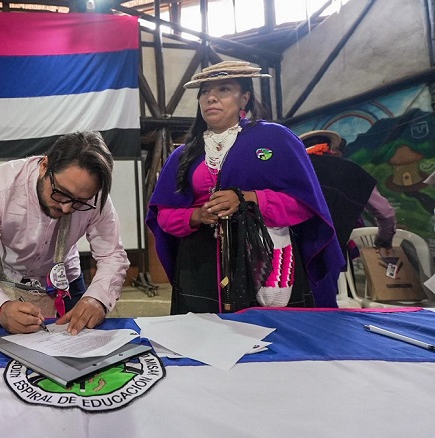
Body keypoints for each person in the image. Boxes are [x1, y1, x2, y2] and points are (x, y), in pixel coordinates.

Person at [146, 61, 344, 314]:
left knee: (270, 331)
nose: (211, 98)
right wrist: (196, 215)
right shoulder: (183, 155)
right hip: (200, 266)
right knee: (202, 333)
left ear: (244, 98)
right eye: (205, 92)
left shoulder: (275, 139)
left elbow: (305, 205)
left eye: (224, 89)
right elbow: (163, 215)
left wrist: (248, 198)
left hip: (266, 259)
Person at [0, 130, 129, 335]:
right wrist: (0, 308)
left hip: (65, 282)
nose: (66, 208)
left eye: (80, 202)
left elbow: (112, 255)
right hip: (8, 283)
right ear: (45, 165)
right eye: (61, 193)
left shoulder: (96, 199)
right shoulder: (2, 186)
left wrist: (98, 299)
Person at [300, 129, 396, 258]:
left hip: (298, 257)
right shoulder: (354, 171)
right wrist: (383, 241)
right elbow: (386, 213)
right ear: (331, 148)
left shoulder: (293, 174)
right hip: (339, 255)